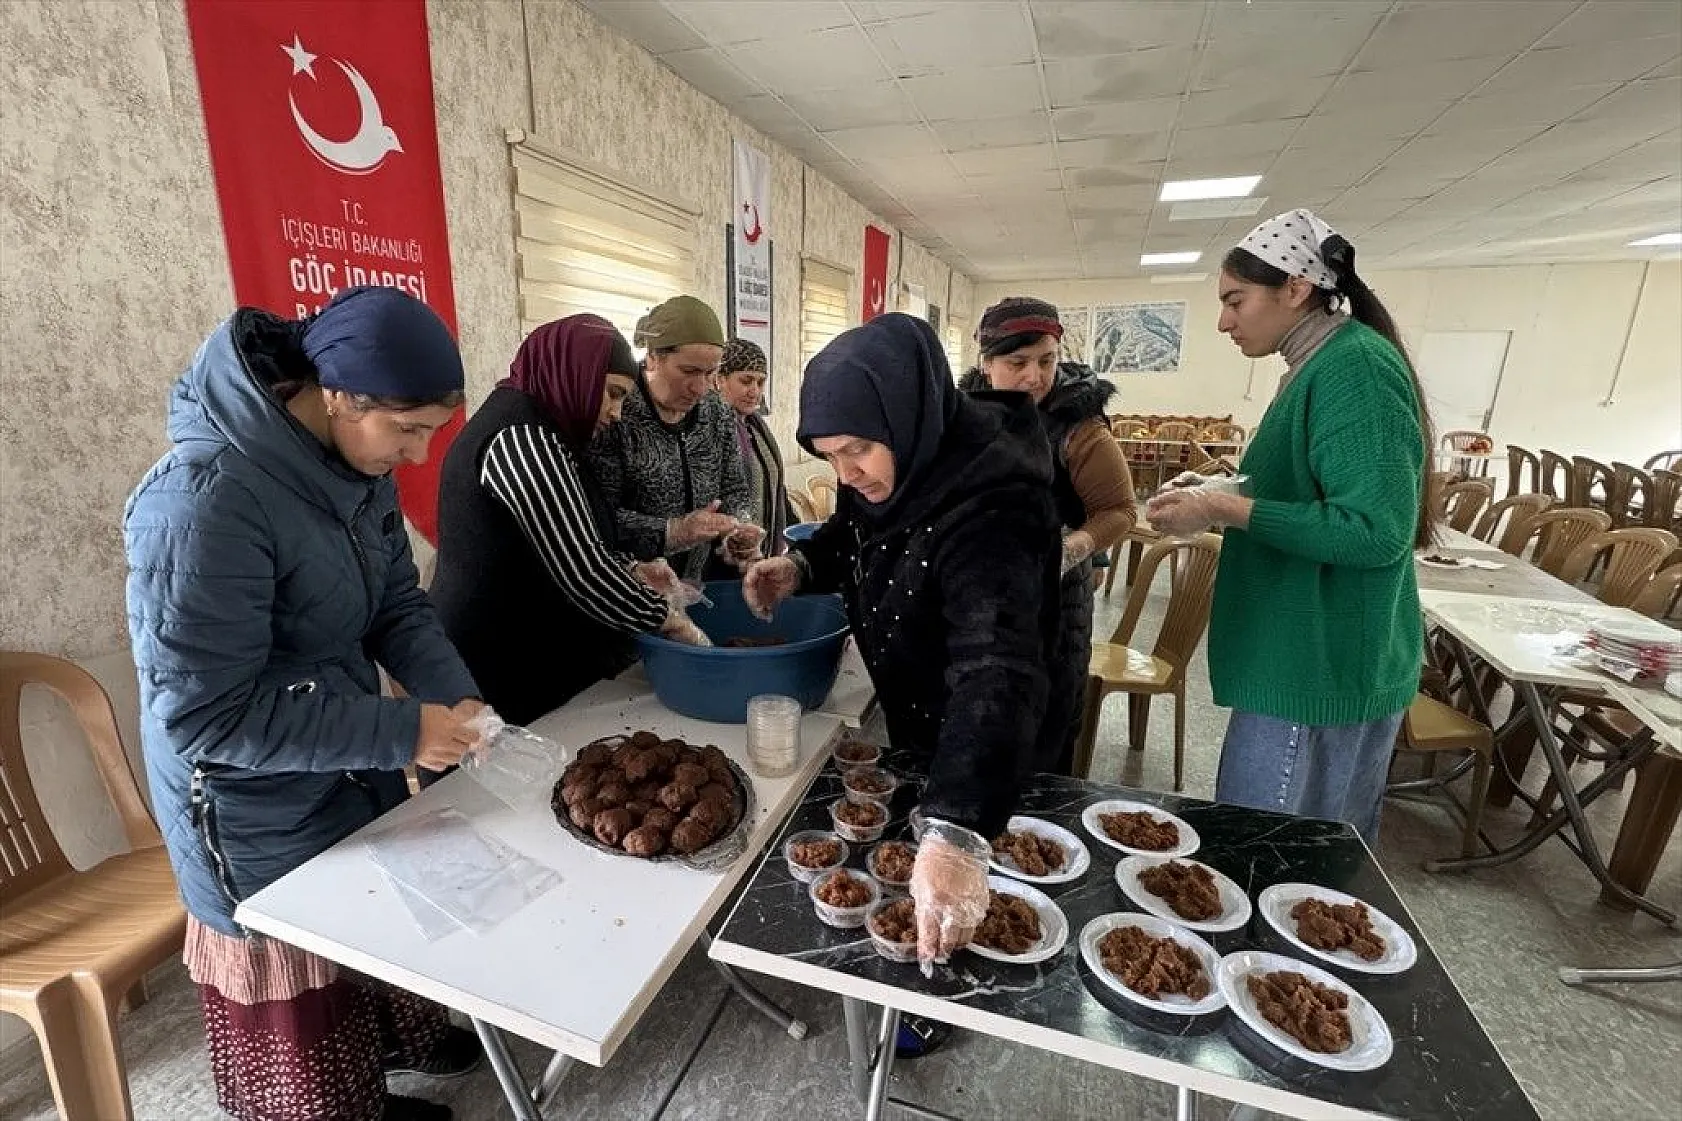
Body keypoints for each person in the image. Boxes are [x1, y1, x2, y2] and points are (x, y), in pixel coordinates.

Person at [125, 287, 489, 1121]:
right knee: (300, 960)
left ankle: (388, 1059)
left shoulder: (356, 470)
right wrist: (402, 730)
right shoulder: (202, 501)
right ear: (339, 396)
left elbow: (397, 603)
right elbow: (207, 716)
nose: (417, 454)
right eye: (407, 430)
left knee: (362, 914)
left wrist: (453, 693)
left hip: (338, 747)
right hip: (245, 793)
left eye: (431, 433)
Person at [744, 313, 1061, 968]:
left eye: (857, 448)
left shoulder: (997, 501)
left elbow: (996, 670)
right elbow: (854, 534)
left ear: (907, 414)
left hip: (990, 744)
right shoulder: (899, 463)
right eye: (829, 455)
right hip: (922, 719)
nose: (846, 472)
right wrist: (800, 567)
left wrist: (957, 830)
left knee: (968, 907)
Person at [1146, 209, 1432, 847]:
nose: (1224, 321)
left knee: (1271, 857)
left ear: (1296, 288)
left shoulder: (1354, 368)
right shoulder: (1318, 365)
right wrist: (1220, 491)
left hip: (1319, 664)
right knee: (1282, 854)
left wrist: (1223, 510)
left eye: (1235, 300)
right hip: (1297, 656)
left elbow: (1374, 529)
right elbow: (1309, 490)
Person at [431, 315, 710, 727]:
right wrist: (669, 621)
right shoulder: (521, 437)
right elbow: (582, 570)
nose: (616, 413)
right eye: (612, 394)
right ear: (575, 373)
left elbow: (563, 535)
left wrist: (630, 568)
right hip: (494, 661)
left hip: (523, 652)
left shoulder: (547, 430)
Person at [959, 297, 1138, 773]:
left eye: (1046, 360)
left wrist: (1076, 547)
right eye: (1017, 363)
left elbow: (1120, 510)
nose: (1035, 377)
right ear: (986, 362)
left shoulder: (1079, 429)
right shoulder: (965, 416)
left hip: (1054, 605)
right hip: (980, 599)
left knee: (1043, 732)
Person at [588, 295, 762, 581]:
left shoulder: (716, 412)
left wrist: (740, 527)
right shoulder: (615, 413)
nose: (700, 388)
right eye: (689, 371)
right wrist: (673, 531)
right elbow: (597, 515)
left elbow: (733, 488)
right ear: (653, 358)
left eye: (710, 373)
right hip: (631, 584)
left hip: (699, 581)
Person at [715, 337, 796, 552]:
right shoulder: (710, 430)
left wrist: (795, 534)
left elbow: (774, 484)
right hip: (725, 554)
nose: (755, 391)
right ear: (720, 379)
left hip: (762, 552)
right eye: (746, 381)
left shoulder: (755, 427)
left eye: (760, 382)